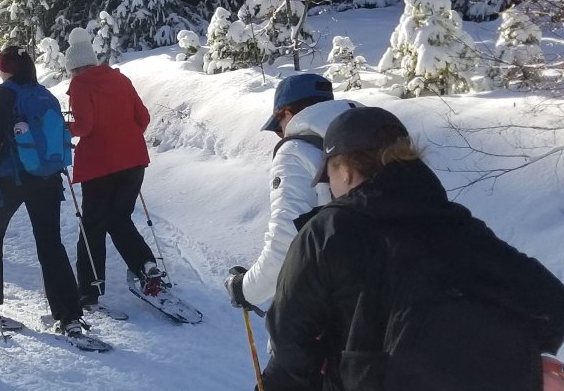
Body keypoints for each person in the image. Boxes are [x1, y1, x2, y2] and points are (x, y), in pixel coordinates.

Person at [262, 106, 564, 390]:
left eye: (328, 174)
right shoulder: (454, 223)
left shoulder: (328, 232)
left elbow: (290, 347)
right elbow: (549, 301)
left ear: (345, 170)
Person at [0, 45, 87, 338]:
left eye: (0, 66)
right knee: (50, 243)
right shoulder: (45, 94)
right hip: (48, 177)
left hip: (11, 179)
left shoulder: (0, 94)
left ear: (6, 69)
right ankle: (69, 315)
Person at [223, 73, 360, 312]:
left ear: (287, 113)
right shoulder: (369, 136)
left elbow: (286, 243)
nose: (282, 134)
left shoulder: (295, 151)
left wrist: (246, 289)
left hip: (341, 303)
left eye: (278, 128)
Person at [62, 27, 164, 308]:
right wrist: (126, 138)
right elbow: (143, 117)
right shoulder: (121, 79)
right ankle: (146, 265)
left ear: (73, 67)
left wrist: (64, 127)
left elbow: (85, 126)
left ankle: (89, 290)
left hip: (100, 165)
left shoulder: (81, 85)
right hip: (134, 161)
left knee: (93, 225)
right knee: (118, 218)